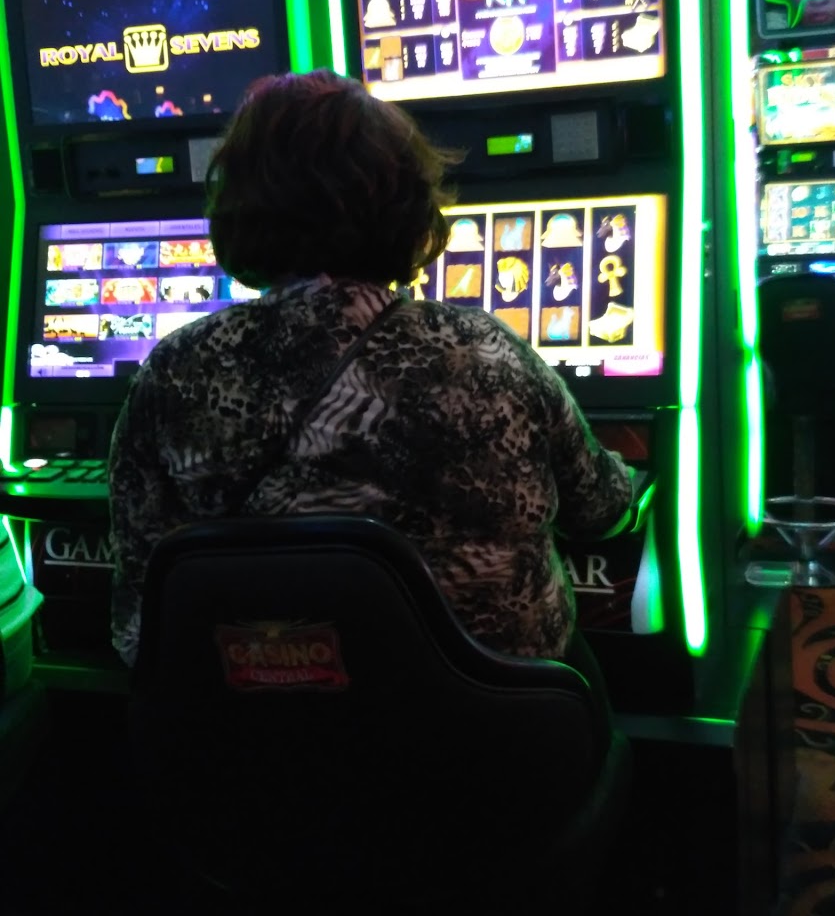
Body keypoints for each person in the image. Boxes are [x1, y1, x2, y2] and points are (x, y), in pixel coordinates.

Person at [107, 69, 635, 681]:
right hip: (485, 715)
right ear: (408, 207)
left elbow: (141, 598)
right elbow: (601, 510)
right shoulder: (485, 354)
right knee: (580, 673)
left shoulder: (174, 371)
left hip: (248, 719)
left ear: (237, 206)